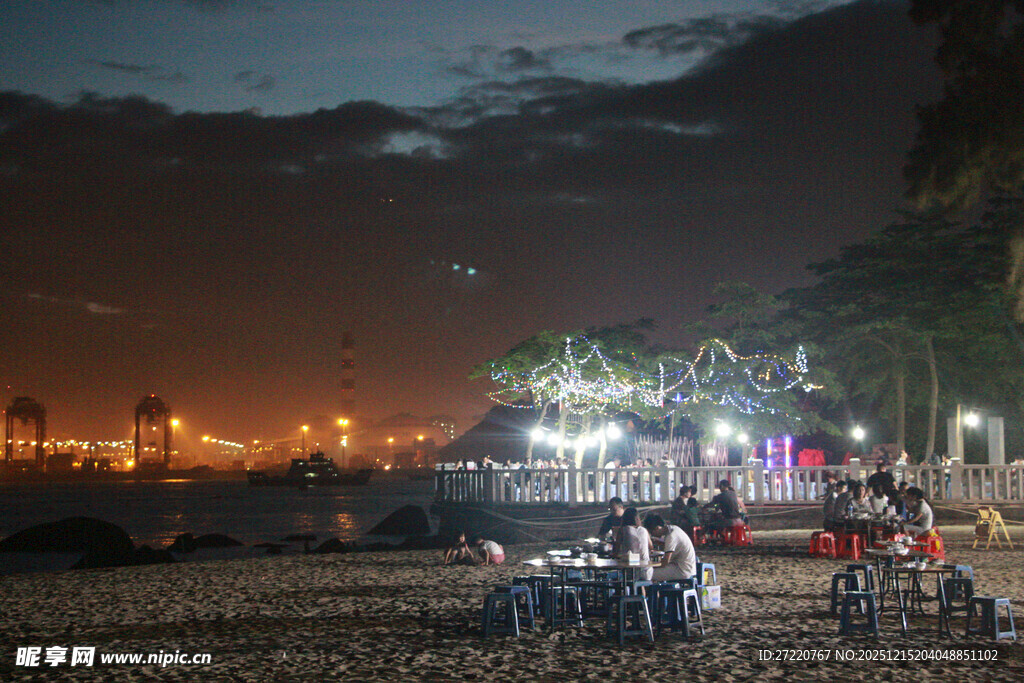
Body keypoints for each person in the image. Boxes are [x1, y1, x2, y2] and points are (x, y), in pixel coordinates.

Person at [642, 513, 696, 582]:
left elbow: (665, 562)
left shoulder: (671, 536)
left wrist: (651, 565)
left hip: (683, 570)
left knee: (648, 574)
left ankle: (652, 592)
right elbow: (671, 546)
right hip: (686, 566)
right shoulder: (674, 529)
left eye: (652, 533)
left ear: (657, 528)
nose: (653, 535)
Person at [616, 507, 653, 581]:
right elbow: (651, 547)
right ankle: (643, 592)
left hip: (631, 571)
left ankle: (622, 591)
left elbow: (615, 550)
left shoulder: (623, 530)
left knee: (619, 574)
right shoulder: (644, 530)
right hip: (647, 571)